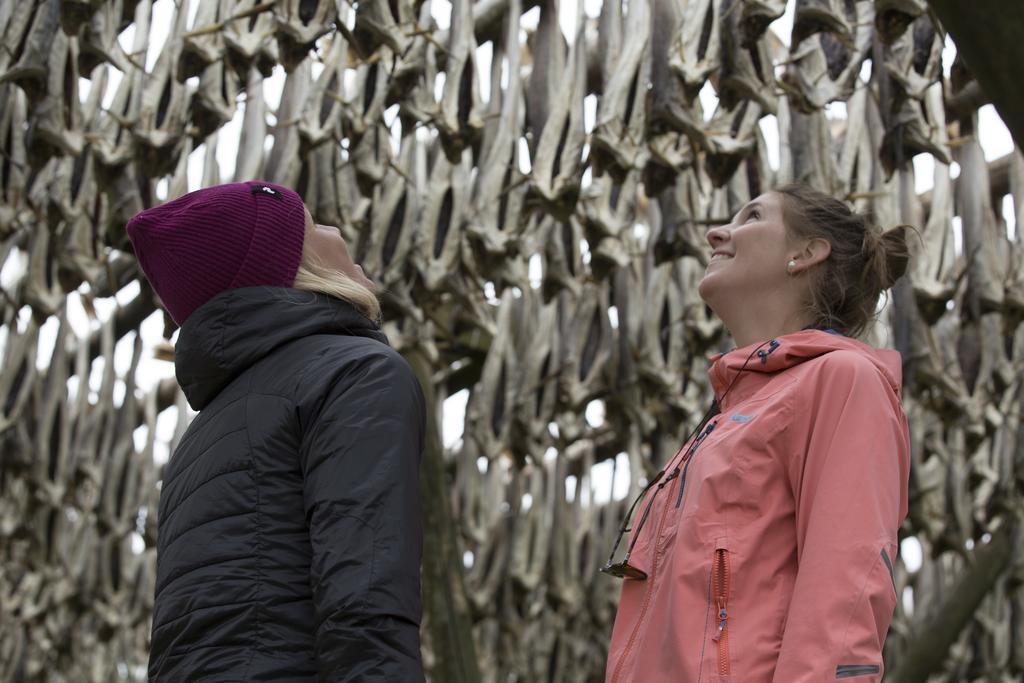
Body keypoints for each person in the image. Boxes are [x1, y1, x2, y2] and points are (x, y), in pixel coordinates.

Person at [602, 184, 912, 682]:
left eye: (752, 217)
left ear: (805, 254)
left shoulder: (842, 382)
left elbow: (845, 598)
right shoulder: (723, 417)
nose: (716, 232)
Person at [127, 181, 426, 682]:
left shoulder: (202, 437)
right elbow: (366, 602)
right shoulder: (353, 373)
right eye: (312, 226)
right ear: (290, 268)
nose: (334, 230)